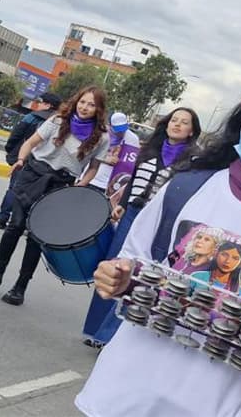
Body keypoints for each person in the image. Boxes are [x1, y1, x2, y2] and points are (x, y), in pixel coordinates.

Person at [78, 76, 241, 416]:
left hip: (225, 404)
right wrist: (120, 279)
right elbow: (133, 262)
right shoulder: (187, 187)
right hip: (126, 391)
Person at [0, 86, 110, 306]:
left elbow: (93, 167)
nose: (85, 107)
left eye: (91, 104)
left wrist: (81, 186)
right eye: (83, 102)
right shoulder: (59, 120)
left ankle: (20, 286)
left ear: (99, 109)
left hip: (60, 185)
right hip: (33, 174)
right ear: (76, 101)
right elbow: (30, 143)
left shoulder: (102, 137)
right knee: (15, 225)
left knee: (37, 236)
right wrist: (20, 160)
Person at [81, 106, 199, 347]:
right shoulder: (148, 150)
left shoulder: (193, 161)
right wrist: (122, 204)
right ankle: (94, 330)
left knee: (140, 272)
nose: (177, 124)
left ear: (191, 131)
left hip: (162, 221)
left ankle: (110, 336)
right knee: (115, 265)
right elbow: (134, 179)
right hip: (133, 212)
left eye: (183, 122)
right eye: (173, 120)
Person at [0, 93, 61, 228]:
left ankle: (3, 218)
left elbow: (15, 135)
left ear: (48, 105)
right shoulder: (60, 123)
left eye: (41, 102)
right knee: (37, 194)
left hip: (23, 158)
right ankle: (25, 223)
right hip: (43, 164)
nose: (39, 104)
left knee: (15, 188)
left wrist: (13, 152)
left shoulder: (32, 117)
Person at [86, 111, 141, 196]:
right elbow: (87, 152)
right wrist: (105, 159)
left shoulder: (132, 139)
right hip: (92, 179)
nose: (120, 132)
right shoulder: (101, 133)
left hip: (112, 184)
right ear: (110, 125)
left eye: (123, 129)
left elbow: (132, 160)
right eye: (117, 129)